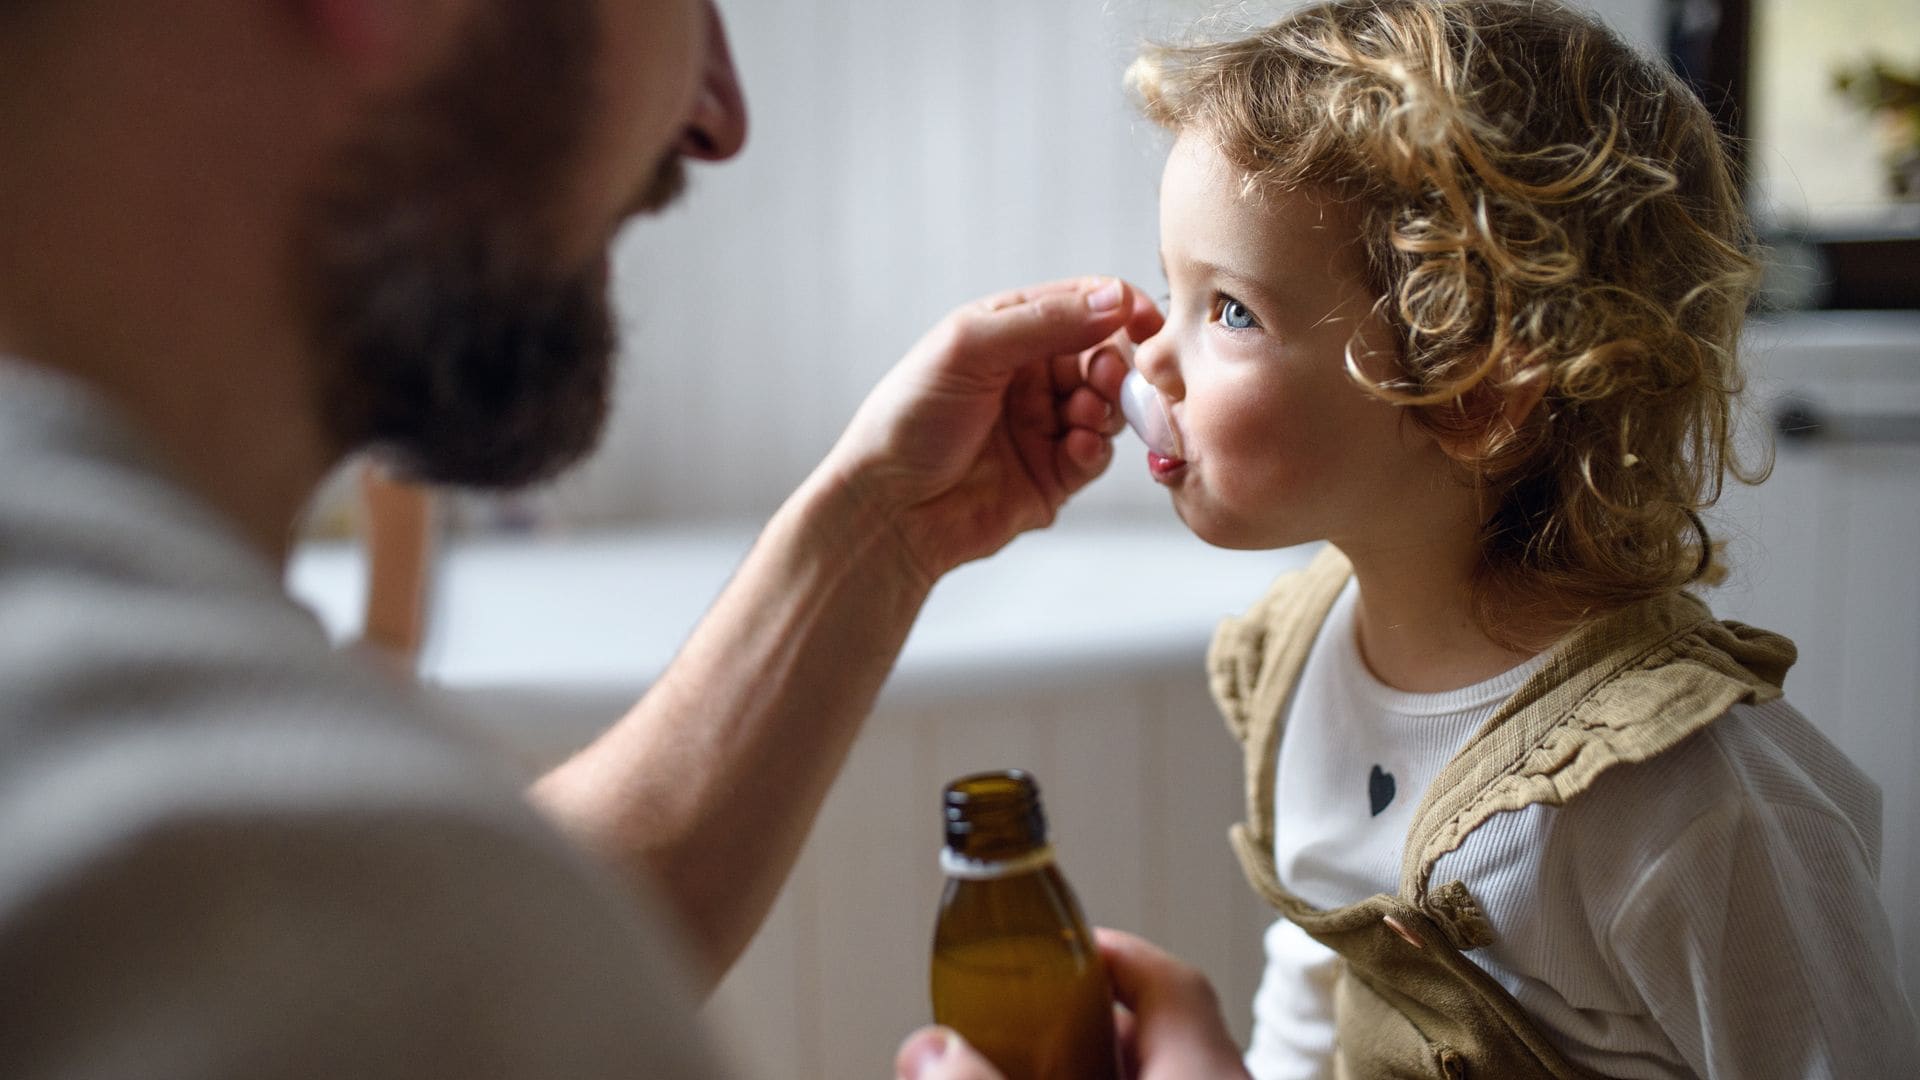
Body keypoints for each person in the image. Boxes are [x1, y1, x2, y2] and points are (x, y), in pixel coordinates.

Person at [0, 1, 1263, 1076]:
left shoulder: (232, 896)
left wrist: (883, 532)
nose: (720, 113)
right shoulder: (259, 891)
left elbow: (472, 943)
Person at [1071, 0, 1913, 1077]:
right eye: (1168, 287)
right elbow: (1324, 987)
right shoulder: (1306, 657)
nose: (1150, 357)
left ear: (1473, 393)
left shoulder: (1683, 810)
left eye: (1230, 310)